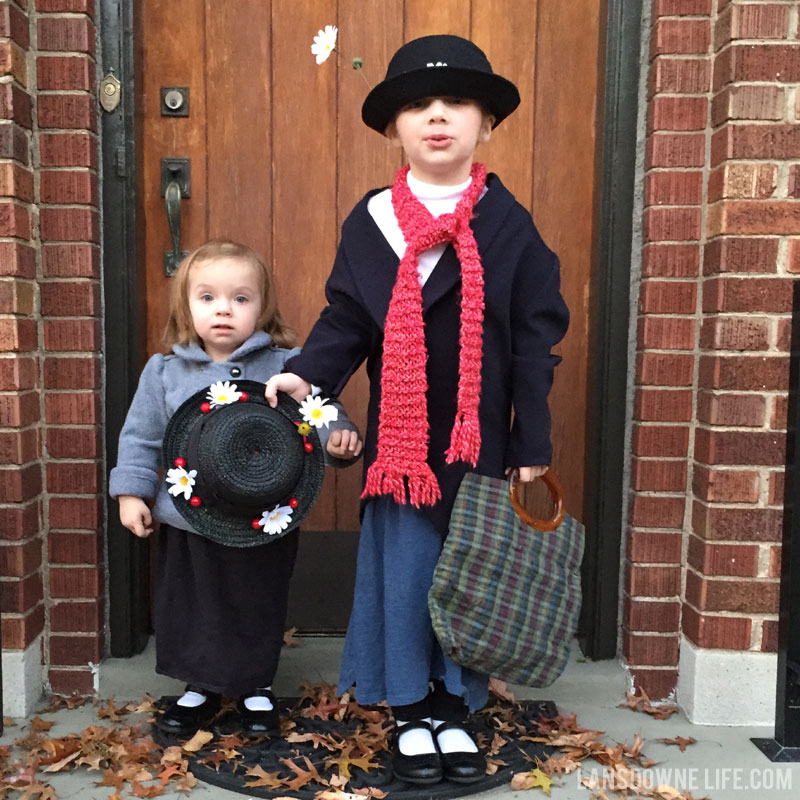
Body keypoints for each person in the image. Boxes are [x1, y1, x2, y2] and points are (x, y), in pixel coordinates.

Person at [265, 35, 569, 785]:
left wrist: (532, 433)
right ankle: (409, 708)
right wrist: (306, 376)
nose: (437, 117)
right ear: (393, 128)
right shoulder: (372, 222)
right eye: (416, 106)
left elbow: (535, 335)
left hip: (477, 438)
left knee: (465, 572)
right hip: (402, 451)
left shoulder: (509, 223)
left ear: (485, 125)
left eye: (457, 104)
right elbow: (345, 320)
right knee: (406, 573)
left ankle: (453, 707)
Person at [109, 239, 362, 738]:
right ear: (187, 307)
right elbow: (140, 436)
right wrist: (131, 493)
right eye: (207, 298)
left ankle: (253, 686)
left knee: (255, 598)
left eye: (241, 299)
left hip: (263, 516)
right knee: (190, 599)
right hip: (189, 514)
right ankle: (197, 686)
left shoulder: (289, 365)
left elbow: (320, 408)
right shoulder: (165, 372)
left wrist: (339, 438)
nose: (223, 309)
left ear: (263, 308)